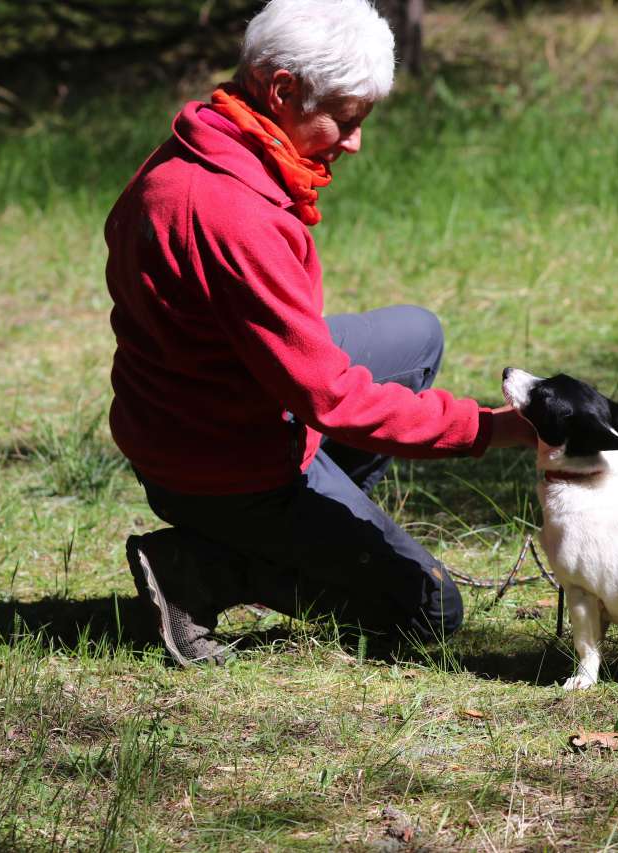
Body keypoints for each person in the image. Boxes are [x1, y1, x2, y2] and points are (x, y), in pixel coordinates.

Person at [104, 0, 536, 666]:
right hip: (221, 466)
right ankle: (208, 567)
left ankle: (311, 530)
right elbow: (328, 398)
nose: (355, 142)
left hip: (197, 413)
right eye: (346, 118)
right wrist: (489, 428)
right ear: (281, 90)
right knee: (429, 610)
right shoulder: (230, 214)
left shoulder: (195, 150)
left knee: (417, 337)